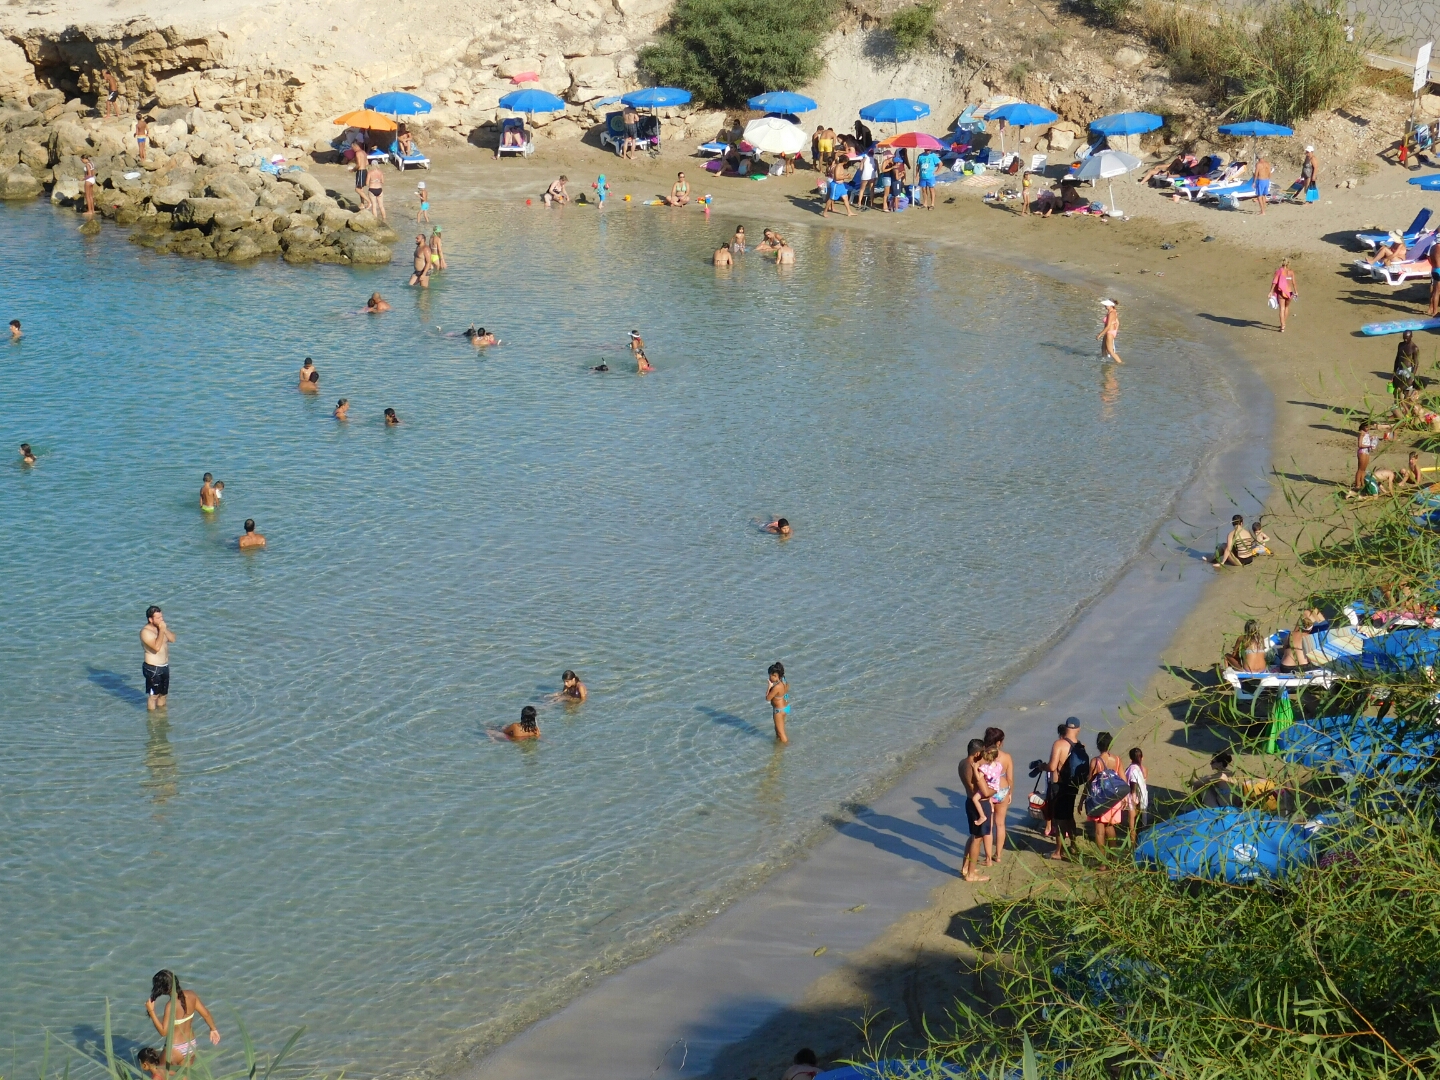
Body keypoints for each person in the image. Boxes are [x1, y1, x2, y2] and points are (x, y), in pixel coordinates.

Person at [146, 970, 218, 1063]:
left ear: (163, 989)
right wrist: (213, 1029)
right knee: (184, 1076)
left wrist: (151, 1011)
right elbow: (206, 1014)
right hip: (191, 1046)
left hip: (174, 1049)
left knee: (160, 1075)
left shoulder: (170, 1005)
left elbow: (163, 1032)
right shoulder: (192, 995)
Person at [1046, 718, 1085, 860]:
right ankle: (1073, 846)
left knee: (1060, 820)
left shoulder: (1059, 744)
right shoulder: (1080, 746)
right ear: (1078, 729)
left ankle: (1058, 851)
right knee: (1069, 816)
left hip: (1060, 786)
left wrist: (1042, 767)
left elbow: (1052, 767)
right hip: (1073, 785)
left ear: (1065, 728)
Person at [958, 738, 994, 881]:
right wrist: (993, 790)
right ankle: (971, 874)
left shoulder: (962, 763)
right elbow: (981, 791)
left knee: (973, 835)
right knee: (978, 838)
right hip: (978, 804)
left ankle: (966, 867)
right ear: (978, 753)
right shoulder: (972, 766)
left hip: (969, 801)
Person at [1086, 731, 1126, 850]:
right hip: (1114, 797)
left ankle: (1103, 862)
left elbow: (1089, 783)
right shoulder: (1117, 760)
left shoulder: (1095, 761)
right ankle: (1113, 858)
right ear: (1110, 745)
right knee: (1110, 827)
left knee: (1099, 830)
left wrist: (1083, 799)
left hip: (1100, 798)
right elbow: (1124, 780)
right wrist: (1124, 798)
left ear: (1098, 745)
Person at [980, 726, 1013, 866]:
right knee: (1000, 824)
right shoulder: (1006, 757)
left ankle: (988, 859)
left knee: (989, 825)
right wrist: (1010, 793)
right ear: (999, 742)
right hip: (1003, 790)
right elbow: (1010, 778)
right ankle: (998, 855)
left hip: (988, 792)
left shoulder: (982, 756)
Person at [140, 606, 175, 712]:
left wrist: (164, 629)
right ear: (151, 619)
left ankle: (162, 717)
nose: (161, 620)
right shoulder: (145, 632)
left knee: (163, 694)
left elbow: (172, 639)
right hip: (152, 668)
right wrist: (162, 630)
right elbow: (156, 647)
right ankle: (152, 720)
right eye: (158, 618)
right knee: (153, 696)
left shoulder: (160, 628)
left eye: (161, 617)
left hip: (164, 666)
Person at [1354, 420, 1392, 491]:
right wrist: (1369, 446)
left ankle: (1362, 483)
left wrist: (1371, 438)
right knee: (1360, 469)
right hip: (1362, 451)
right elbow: (1360, 445)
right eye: (1366, 427)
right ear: (1363, 426)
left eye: (1369, 427)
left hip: (1367, 452)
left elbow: (1366, 440)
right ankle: (1357, 484)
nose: (1368, 428)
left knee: (1364, 469)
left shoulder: (1366, 433)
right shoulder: (1361, 433)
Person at [1125, 747, 1148, 843]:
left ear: (1130, 759)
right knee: (1140, 822)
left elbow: (1133, 783)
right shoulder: (1144, 769)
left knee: (1132, 823)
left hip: (1133, 797)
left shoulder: (1131, 769)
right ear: (1142, 758)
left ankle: (1133, 843)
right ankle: (1140, 841)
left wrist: (1133, 797)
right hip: (1142, 797)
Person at [766, 662, 790, 744]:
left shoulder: (777, 687)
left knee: (781, 733)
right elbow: (786, 693)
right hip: (786, 708)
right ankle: (778, 749)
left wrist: (769, 686)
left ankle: (787, 747)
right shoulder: (784, 682)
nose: (769, 677)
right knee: (778, 730)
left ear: (776, 676)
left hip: (778, 711)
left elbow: (767, 698)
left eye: (770, 675)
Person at [1270, 258, 1296, 333]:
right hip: (1290, 293)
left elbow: (1274, 282)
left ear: (1282, 263)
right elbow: (1294, 283)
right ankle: (1284, 322)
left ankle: (1282, 326)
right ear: (1288, 264)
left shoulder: (1279, 272)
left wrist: (1271, 291)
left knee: (1282, 308)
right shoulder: (1291, 272)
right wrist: (1296, 292)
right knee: (1287, 307)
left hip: (1282, 292)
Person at [1097, 298, 1122, 363]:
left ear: (1111, 305)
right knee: (1103, 348)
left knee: (1110, 351)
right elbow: (1117, 323)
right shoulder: (1113, 311)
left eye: (1106, 305)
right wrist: (1115, 332)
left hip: (1109, 332)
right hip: (1109, 332)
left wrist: (1100, 334)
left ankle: (1121, 363)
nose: (1105, 306)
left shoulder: (1111, 313)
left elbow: (1108, 326)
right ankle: (1103, 360)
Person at [1429, 238, 1440, 317]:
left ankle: (1431, 309)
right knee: (1437, 292)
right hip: (1439, 270)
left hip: (1434, 269)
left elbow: (1428, 257)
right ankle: (1435, 311)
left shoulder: (1433, 247)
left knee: (1435, 291)